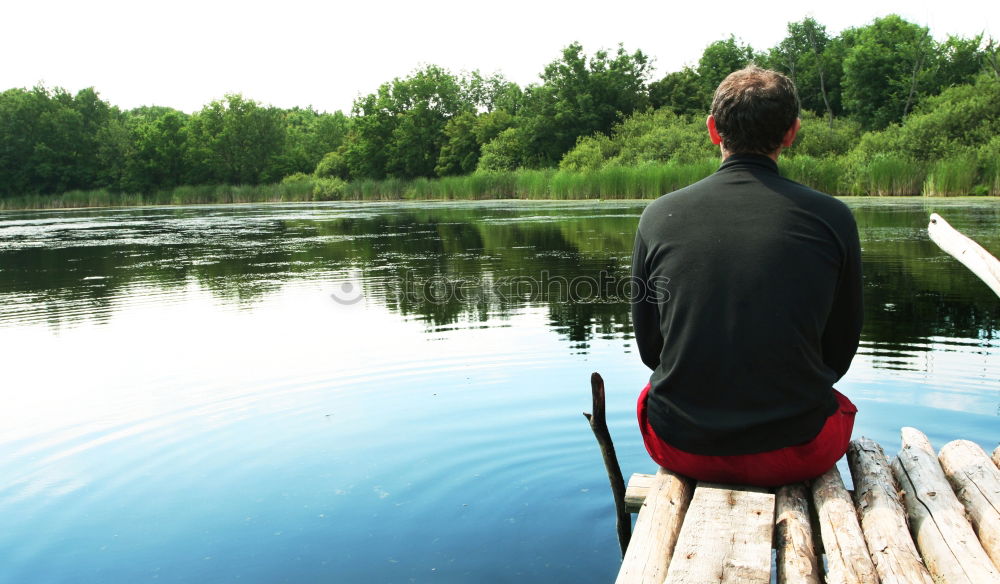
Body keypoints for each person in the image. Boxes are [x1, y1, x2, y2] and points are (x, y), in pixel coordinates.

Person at [630, 66, 863, 487]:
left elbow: (651, 350)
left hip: (682, 444)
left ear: (713, 130)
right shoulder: (833, 218)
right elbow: (840, 351)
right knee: (835, 402)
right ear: (792, 132)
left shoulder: (657, 217)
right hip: (797, 450)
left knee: (650, 395)